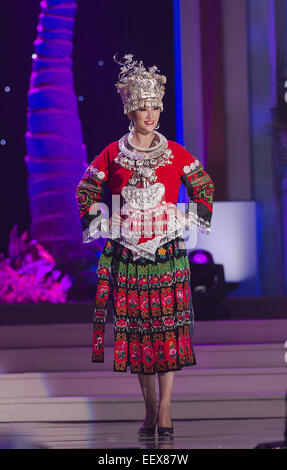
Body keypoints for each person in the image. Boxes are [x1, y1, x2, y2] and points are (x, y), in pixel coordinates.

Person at [75, 54, 215, 438]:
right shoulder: (112, 153)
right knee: (138, 333)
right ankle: (149, 406)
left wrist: (183, 216)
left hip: (166, 253)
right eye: (142, 107)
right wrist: (105, 220)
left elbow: (203, 187)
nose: (150, 113)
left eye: (155, 106)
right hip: (128, 256)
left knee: (167, 331)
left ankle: (167, 407)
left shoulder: (177, 152)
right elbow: (86, 189)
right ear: (129, 109)